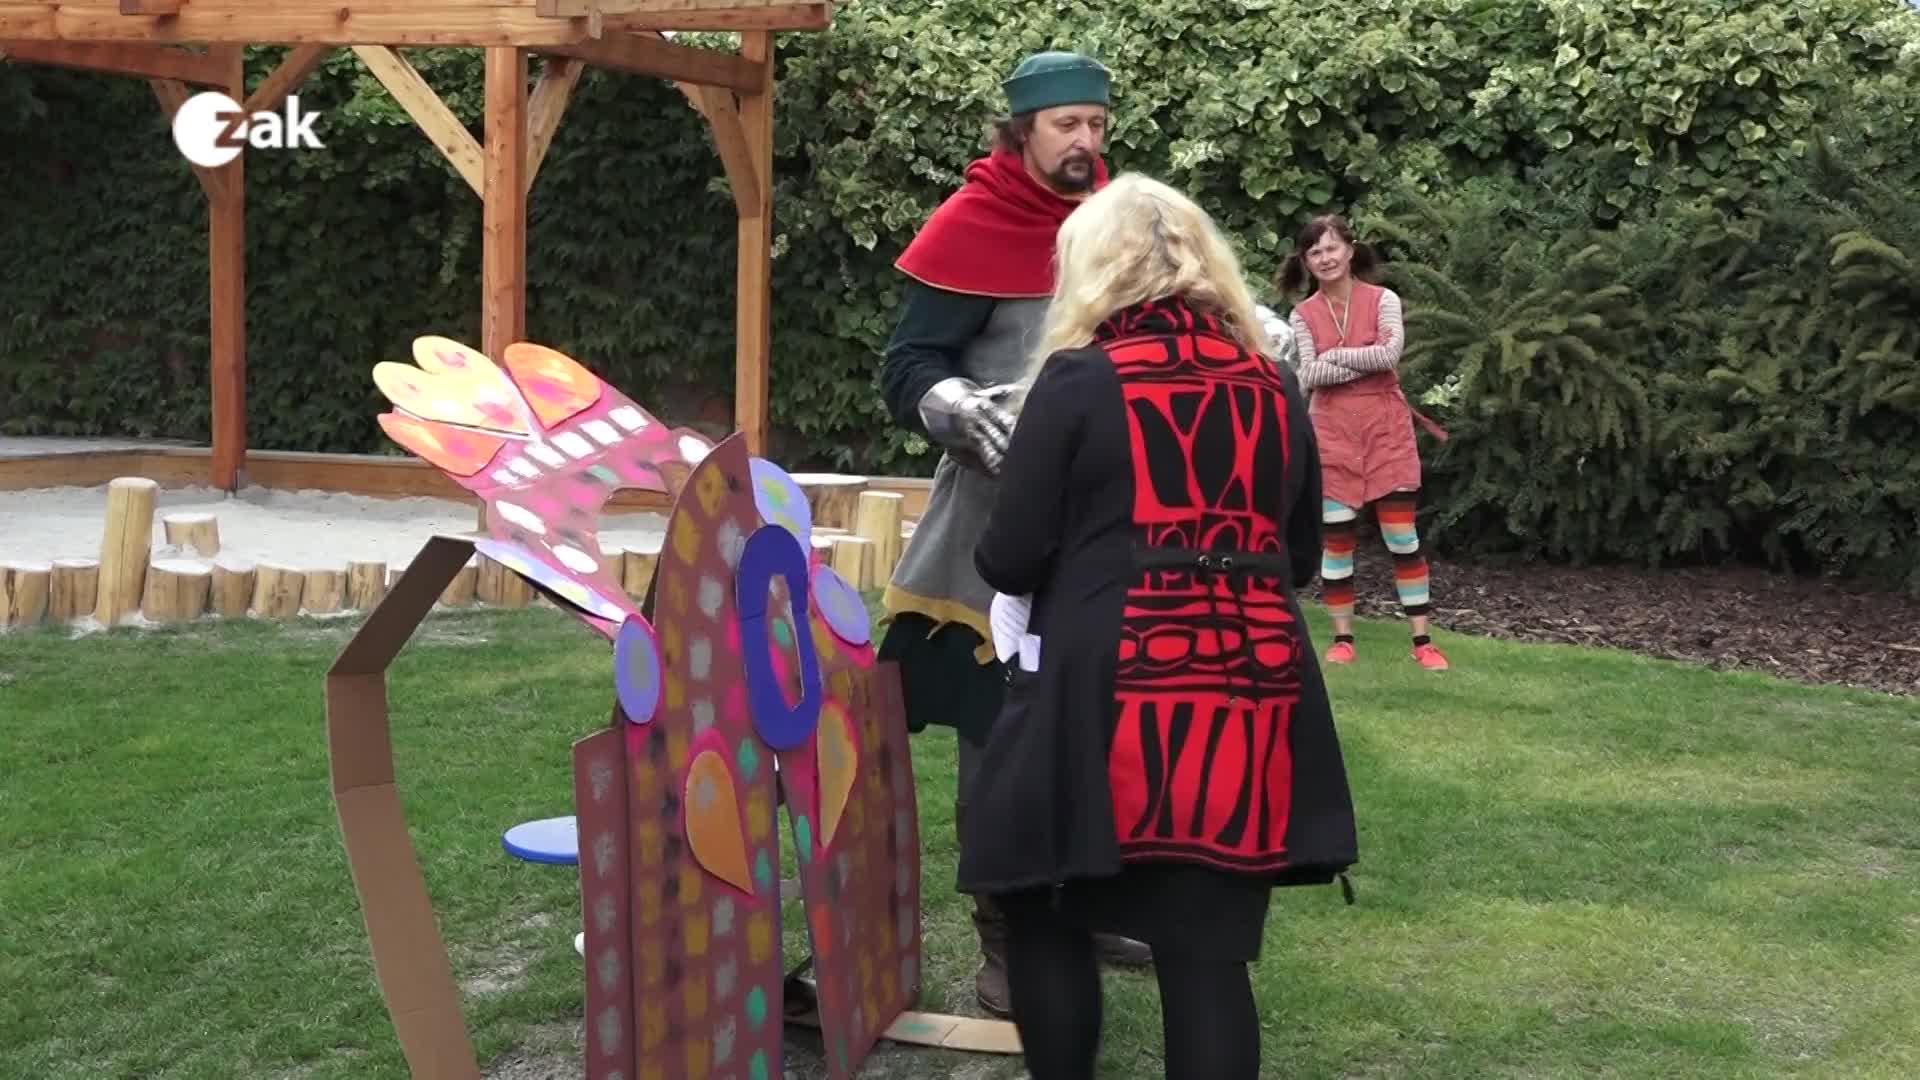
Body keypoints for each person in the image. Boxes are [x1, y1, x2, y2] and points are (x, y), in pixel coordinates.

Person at [957, 173, 1360, 1080]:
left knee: (1042, 900)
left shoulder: (1077, 379)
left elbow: (1010, 556)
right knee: (1206, 949)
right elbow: (1299, 556)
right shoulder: (1272, 383)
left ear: (1091, 270)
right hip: (1248, 689)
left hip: (1100, 688)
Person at [874, 49, 1153, 1017]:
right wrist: (955, 405)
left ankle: (1084, 906)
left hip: (1108, 524)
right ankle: (1005, 938)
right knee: (1000, 738)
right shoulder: (971, 224)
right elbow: (907, 364)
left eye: (1096, 123)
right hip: (996, 530)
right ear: (1022, 128)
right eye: (1066, 124)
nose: (1085, 141)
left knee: (1105, 727)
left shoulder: (1121, 222)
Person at [1279, 214, 1451, 670]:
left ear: (1350, 249)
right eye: (1315, 251)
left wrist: (1335, 356)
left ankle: (1423, 642)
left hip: (1386, 434)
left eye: (1332, 247)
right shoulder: (1302, 315)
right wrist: (1362, 360)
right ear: (1306, 261)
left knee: (1402, 539)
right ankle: (1342, 639)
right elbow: (1309, 374)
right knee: (1337, 542)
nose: (1325, 258)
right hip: (1331, 438)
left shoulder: (1384, 299)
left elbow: (1390, 354)